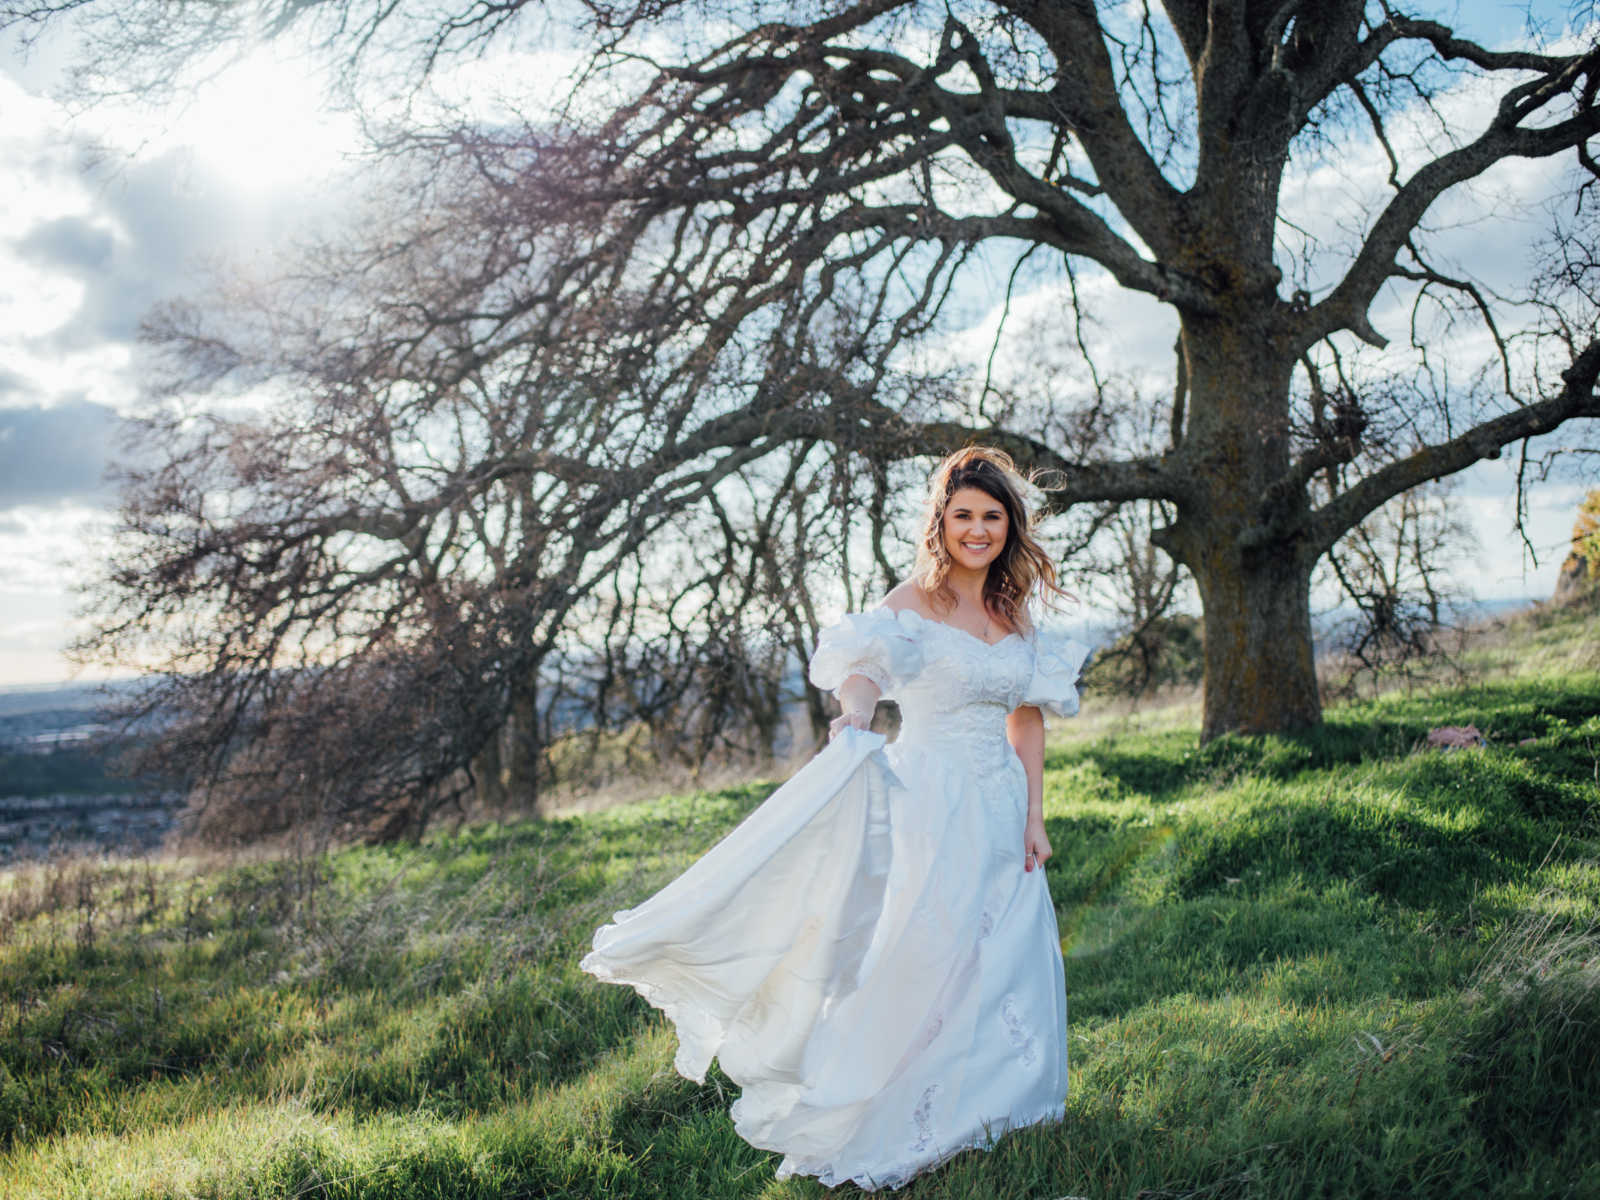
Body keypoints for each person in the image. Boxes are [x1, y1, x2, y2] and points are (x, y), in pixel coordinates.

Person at [581, 446, 1091, 1190]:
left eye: (991, 517)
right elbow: (865, 671)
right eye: (962, 517)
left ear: (1010, 526)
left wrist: (1036, 814)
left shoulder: (1013, 612)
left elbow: (1026, 720)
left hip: (1002, 804)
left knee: (1005, 950)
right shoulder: (914, 602)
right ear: (940, 524)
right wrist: (853, 718)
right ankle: (906, 1106)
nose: (977, 530)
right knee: (930, 949)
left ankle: (1004, 1105)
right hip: (931, 800)